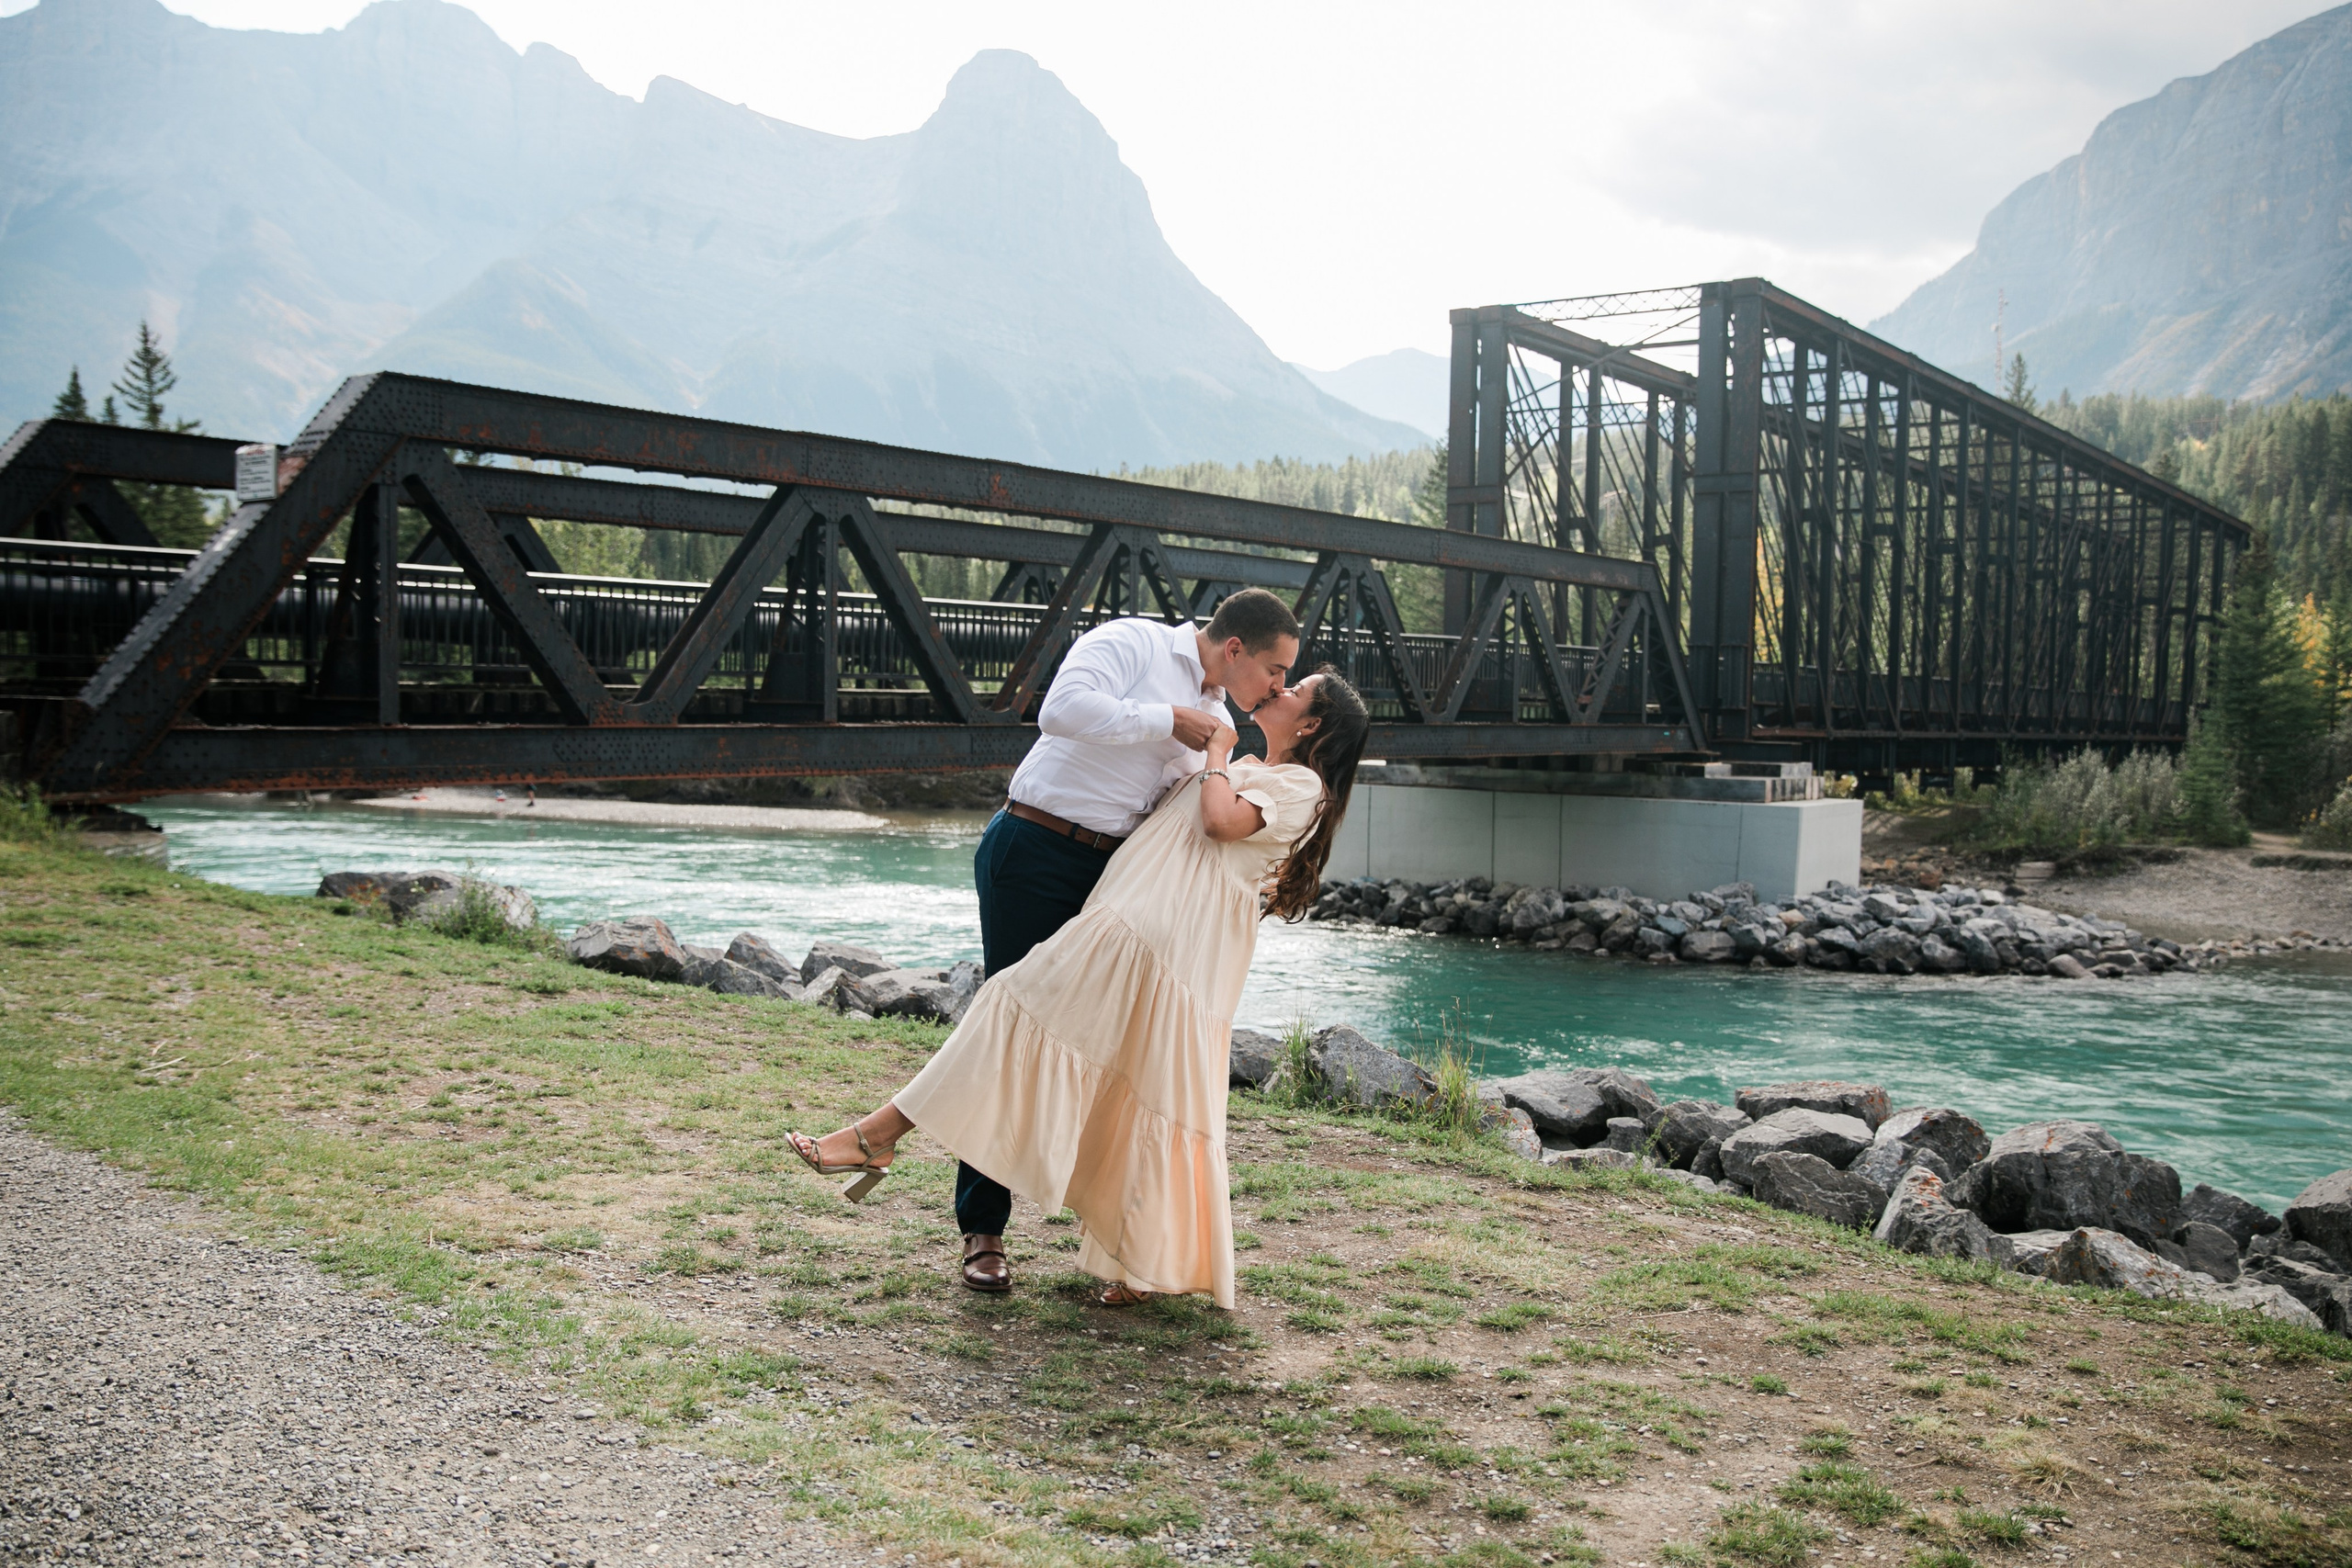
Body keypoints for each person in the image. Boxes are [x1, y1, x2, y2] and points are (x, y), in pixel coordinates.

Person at [786, 670, 1371, 1306]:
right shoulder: (1252, 764)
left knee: (1046, 1028)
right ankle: (884, 1143)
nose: (1277, 689)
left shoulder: (1299, 784)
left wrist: (1216, 753)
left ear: (1311, 724)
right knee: (1053, 1036)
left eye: (1294, 690)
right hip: (1128, 923)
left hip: (1159, 940)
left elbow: (1218, 824)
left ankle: (877, 1139)